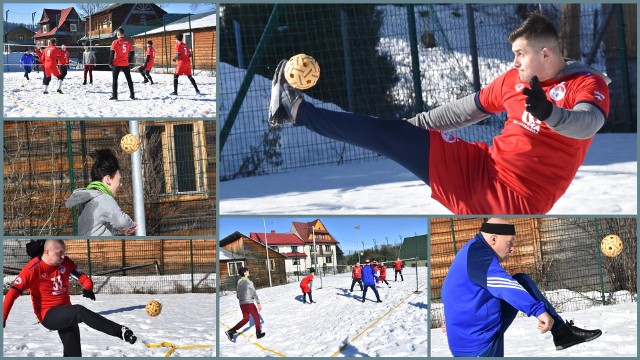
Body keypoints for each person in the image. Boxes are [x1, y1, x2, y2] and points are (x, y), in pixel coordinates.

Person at [267, 12, 611, 215]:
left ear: (547, 53)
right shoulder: (512, 81)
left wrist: (550, 113)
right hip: (482, 165)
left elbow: (588, 123)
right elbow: (462, 111)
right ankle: (295, 111)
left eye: (520, 54)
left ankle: (297, 111)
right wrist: (405, 130)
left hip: (513, 199)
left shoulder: (587, 83)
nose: (514, 62)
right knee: (393, 134)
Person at [441, 218, 602, 357]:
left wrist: (452, 316)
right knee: (515, 283)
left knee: (521, 280)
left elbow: (452, 287)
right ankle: (562, 332)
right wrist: (537, 310)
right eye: (509, 242)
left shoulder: (472, 249)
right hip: (476, 345)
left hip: (472, 332)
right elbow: (503, 285)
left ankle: (562, 332)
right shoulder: (479, 257)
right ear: (493, 239)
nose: (512, 248)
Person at [3, 240, 137, 357]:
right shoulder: (32, 269)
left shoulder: (65, 263)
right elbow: (12, 294)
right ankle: (120, 331)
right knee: (79, 311)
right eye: (59, 253)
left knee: (73, 354)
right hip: (48, 315)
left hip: (67, 313)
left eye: (64, 252)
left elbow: (83, 277)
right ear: (47, 252)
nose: (63, 256)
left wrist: (87, 287)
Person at [65, 149, 137, 236]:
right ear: (108, 179)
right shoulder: (103, 198)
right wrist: (131, 225)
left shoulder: (88, 199)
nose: (120, 184)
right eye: (119, 180)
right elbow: (121, 222)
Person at [225, 267, 266, 341]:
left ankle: (231, 331)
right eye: (247, 271)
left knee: (246, 319)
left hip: (241, 304)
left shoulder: (239, 282)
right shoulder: (249, 282)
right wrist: (258, 303)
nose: (248, 271)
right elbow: (254, 293)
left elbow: (237, 295)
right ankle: (258, 333)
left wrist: (242, 299)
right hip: (249, 303)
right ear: (245, 273)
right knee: (256, 317)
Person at [109, 27, 135, 100]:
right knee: (129, 79)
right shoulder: (128, 42)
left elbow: (112, 53)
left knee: (115, 80)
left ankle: (115, 96)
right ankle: (132, 95)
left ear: (118, 34)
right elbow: (132, 53)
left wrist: (110, 63)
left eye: (117, 34)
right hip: (125, 64)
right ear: (123, 34)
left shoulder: (115, 42)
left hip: (116, 64)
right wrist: (128, 60)